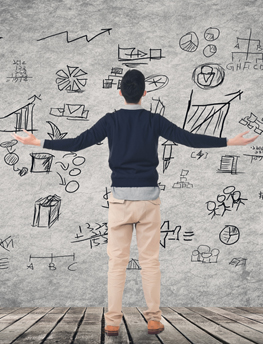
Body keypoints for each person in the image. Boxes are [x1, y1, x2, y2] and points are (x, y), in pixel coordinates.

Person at [12, 69, 259, 336]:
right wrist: (229, 141)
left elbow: (79, 142)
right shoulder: (154, 120)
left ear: (120, 92)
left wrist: (39, 142)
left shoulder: (110, 120)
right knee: (150, 261)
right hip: (149, 201)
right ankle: (154, 319)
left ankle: (113, 321)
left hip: (120, 201)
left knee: (117, 263)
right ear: (144, 92)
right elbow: (188, 138)